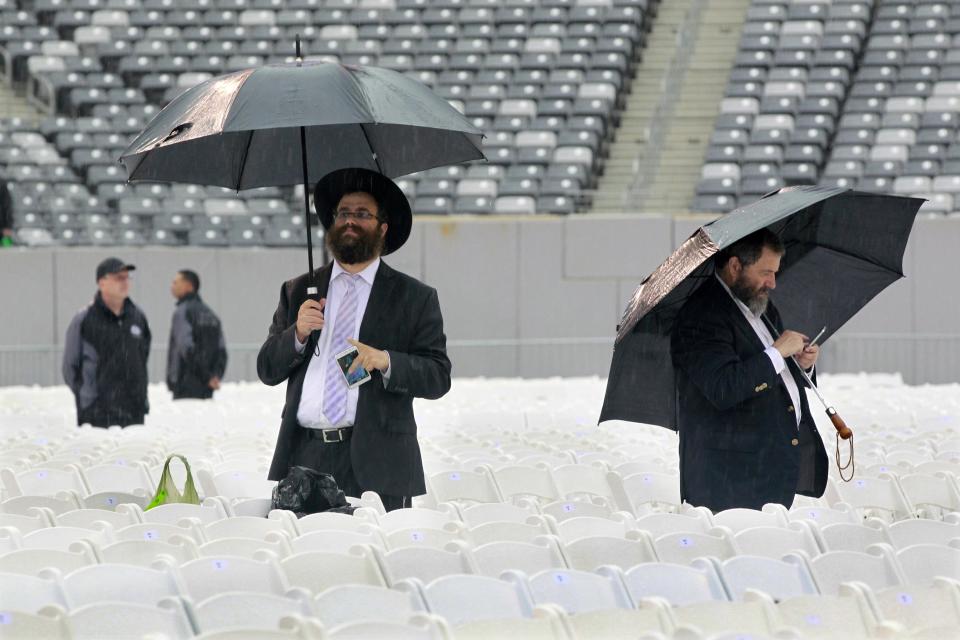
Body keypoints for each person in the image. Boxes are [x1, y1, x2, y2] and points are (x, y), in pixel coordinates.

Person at [258, 168, 451, 512]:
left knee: (367, 562)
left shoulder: (414, 297)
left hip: (378, 462)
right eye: (344, 213)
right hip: (304, 456)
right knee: (304, 561)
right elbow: (267, 369)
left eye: (362, 214)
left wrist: (387, 361)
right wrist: (297, 334)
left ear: (383, 228)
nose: (350, 221)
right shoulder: (299, 289)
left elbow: (437, 376)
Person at [670, 229, 828, 512]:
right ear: (734, 266)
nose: (773, 283)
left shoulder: (761, 305)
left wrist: (802, 364)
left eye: (775, 272)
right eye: (766, 272)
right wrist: (778, 352)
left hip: (767, 472)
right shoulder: (702, 315)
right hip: (730, 482)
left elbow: (771, 369)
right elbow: (723, 387)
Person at [63, 257, 152, 427]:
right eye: (119, 277)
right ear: (102, 282)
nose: (125, 282)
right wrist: (88, 397)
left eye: (127, 277)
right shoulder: (84, 319)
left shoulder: (138, 317)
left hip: (133, 410)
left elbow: (142, 357)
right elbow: (70, 367)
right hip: (96, 412)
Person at [167, 269, 228, 400]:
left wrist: (205, 376)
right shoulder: (212, 315)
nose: (172, 286)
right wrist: (214, 377)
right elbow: (222, 351)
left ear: (189, 286)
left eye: (176, 282)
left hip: (184, 388)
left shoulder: (182, 312)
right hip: (208, 390)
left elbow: (186, 349)